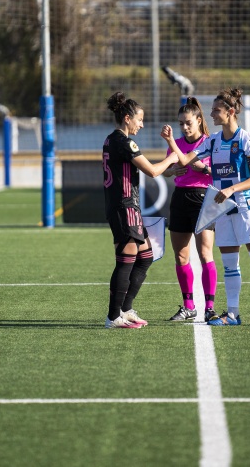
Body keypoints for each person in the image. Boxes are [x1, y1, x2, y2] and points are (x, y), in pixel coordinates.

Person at [160, 87, 250, 327]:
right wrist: (170, 141)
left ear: (230, 112)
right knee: (230, 263)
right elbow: (187, 159)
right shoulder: (214, 141)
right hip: (222, 210)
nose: (211, 114)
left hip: (246, 206)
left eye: (216, 110)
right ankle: (232, 314)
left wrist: (231, 189)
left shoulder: (246, 140)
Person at [103, 91, 178, 329]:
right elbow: (153, 171)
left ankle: (125, 309)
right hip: (123, 206)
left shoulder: (111, 139)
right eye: (140, 119)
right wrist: (173, 156)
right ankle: (114, 316)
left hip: (128, 207)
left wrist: (169, 168)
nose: (142, 124)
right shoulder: (124, 142)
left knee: (145, 256)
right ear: (127, 118)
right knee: (126, 260)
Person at [162, 97, 218, 323]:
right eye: (181, 124)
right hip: (180, 198)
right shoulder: (176, 143)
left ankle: (210, 307)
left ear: (198, 120)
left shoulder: (210, 142)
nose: (184, 128)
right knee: (181, 255)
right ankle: (188, 306)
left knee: (205, 254)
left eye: (188, 123)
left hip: (203, 199)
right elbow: (166, 169)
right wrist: (172, 171)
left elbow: (219, 173)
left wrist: (204, 168)